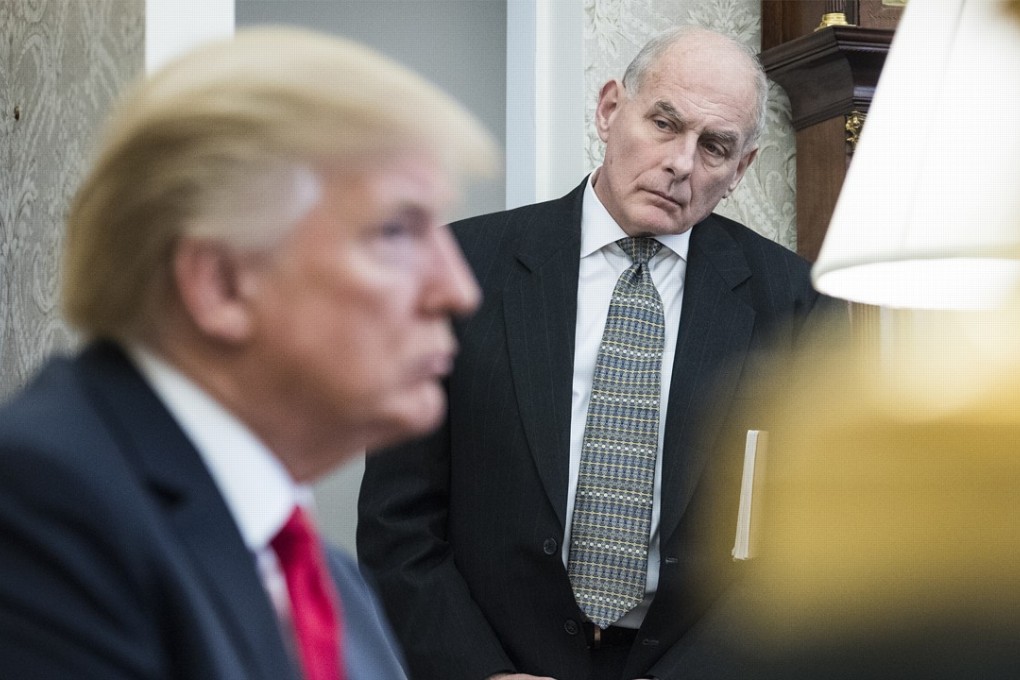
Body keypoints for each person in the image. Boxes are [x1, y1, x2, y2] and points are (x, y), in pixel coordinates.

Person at [0, 26, 495, 680]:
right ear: (223, 283)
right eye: (396, 231)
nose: (457, 290)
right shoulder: (39, 507)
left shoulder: (333, 587)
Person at [357, 25, 845, 680]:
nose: (681, 162)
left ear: (741, 169)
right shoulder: (457, 271)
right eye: (665, 123)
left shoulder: (796, 304)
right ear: (611, 109)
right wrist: (480, 672)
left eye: (715, 147)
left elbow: (809, 550)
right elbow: (399, 523)